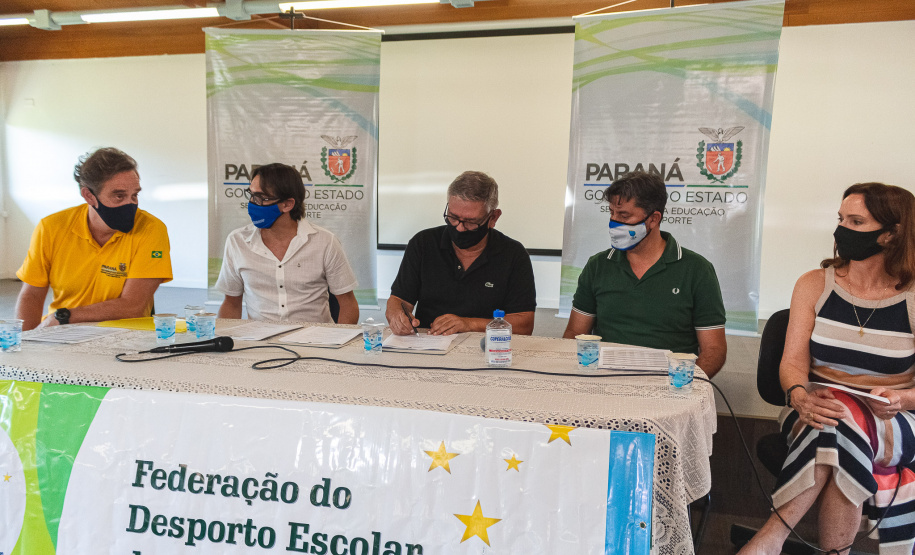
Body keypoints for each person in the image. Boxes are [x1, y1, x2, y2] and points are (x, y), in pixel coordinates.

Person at [738, 183, 915, 555]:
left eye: (856, 221)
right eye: (841, 219)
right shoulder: (814, 284)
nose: (841, 230)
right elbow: (792, 364)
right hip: (811, 411)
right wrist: (799, 396)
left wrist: (901, 397)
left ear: (892, 233)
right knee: (837, 419)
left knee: (841, 423)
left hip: (893, 421)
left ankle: (769, 539)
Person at [562, 171, 727, 377]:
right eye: (611, 213)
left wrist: (686, 382)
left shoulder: (697, 270)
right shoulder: (598, 265)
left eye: (624, 216)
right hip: (604, 382)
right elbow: (575, 334)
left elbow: (714, 349)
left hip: (669, 385)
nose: (614, 222)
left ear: (653, 219)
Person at [15, 147, 172, 331]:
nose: (130, 204)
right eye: (119, 196)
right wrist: (25, 343)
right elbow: (32, 295)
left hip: (124, 333)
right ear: (89, 196)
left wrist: (66, 316)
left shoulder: (151, 229)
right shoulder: (51, 227)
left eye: (134, 195)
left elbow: (133, 306)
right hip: (61, 332)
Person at [386, 171, 536, 336]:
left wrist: (468, 324)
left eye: (471, 222)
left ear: (493, 218)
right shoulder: (423, 243)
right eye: (453, 217)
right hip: (428, 343)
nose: (459, 227)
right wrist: (397, 317)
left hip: (488, 349)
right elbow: (399, 300)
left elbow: (524, 324)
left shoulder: (513, 255)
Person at [215, 163, 358, 324]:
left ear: (288, 204)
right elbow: (231, 303)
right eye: (251, 195)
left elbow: (347, 304)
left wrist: (338, 345)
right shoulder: (237, 241)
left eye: (261, 198)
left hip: (314, 342)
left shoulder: (325, 242)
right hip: (259, 343)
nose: (253, 203)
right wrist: (223, 339)